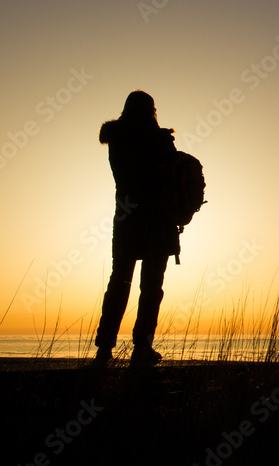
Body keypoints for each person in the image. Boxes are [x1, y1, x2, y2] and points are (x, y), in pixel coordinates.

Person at [93, 91, 180, 365]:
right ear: (152, 110)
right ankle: (141, 348)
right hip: (157, 219)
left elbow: (128, 176)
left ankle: (104, 349)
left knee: (120, 283)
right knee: (151, 286)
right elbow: (171, 175)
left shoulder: (116, 138)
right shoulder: (159, 140)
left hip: (127, 218)